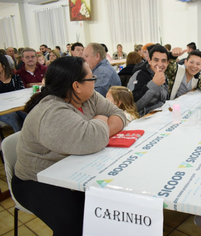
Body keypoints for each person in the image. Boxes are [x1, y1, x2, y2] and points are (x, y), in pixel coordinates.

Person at [11, 56, 126, 236]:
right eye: (91, 78)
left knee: (105, 207)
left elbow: (119, 115)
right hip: (37, 180)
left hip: (72, 169)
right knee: (74, 223)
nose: (95, 82)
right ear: (76, 86)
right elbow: (91, 140)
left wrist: (98, 125)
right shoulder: (52, 112)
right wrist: (99, 124)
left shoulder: (89, 97)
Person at [127, 45, 169, 116]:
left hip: (161, 114)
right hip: (144, 119)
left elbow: (164, 99)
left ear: (167, 63)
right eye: (156, 60)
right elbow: (134, 106)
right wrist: (154, 84)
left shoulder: (163, 75)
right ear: (149, 61)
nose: (160, 64)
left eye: (163, 61)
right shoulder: (139, 75)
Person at [0, 54, 26, 132]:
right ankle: (20, 141)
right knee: (14, 119)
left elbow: (22, 92)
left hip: (16, 106)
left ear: (3, 65)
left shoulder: (15, 78)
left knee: (29, 116)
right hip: (3, 109)